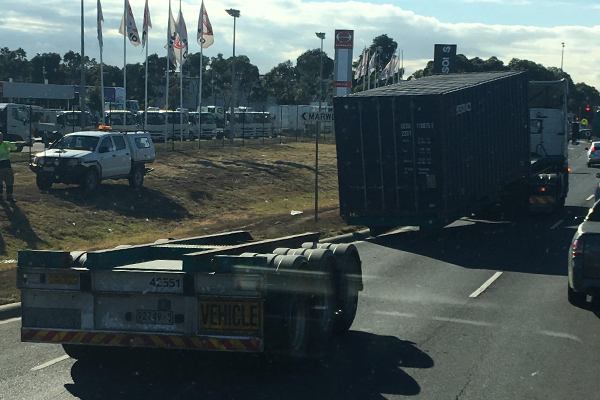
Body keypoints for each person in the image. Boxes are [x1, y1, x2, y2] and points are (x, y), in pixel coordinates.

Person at [0, 132, 16, 202]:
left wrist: (23, 143)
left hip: (7, 167)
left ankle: (9, 197)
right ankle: (1, 197)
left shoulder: (6, 144)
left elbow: (15, 145)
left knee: (10, 182)